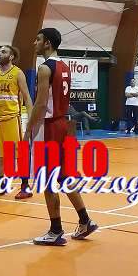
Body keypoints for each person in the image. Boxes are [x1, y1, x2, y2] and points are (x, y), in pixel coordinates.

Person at [26, 27, 97, 245]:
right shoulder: (65, 66)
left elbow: (40, 104)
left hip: (49, 127)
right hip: (65, 125)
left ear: (47, 43)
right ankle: (85, 220)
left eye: (38, 39)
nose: (34, 43)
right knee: (65, 176)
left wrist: (28, 128)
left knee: (47, 180)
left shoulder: (44, 68)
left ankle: (55, 230)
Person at [0, 45, 34, 199]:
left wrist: (31, 120)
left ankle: (25, 187)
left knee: (19, 154)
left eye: (3, 51)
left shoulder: (18, 73)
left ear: (11, 56)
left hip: (12, 118)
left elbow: (27, 97)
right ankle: (0, 186)